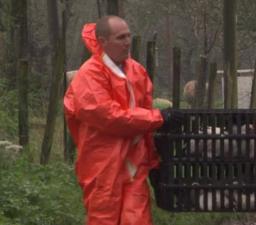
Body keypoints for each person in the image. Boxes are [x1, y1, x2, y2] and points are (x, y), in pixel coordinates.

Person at [64, 15, 180, 225]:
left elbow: (143, 123)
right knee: (104, 219)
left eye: (128, 36)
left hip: (134, 164)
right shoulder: (88, 76)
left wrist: (153, 162)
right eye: (120, 37)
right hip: (102, 165)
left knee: (138, 219)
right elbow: (109, 117)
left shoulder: (136, 71)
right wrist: (158, 117)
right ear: (102, 40)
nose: (127, 42)